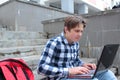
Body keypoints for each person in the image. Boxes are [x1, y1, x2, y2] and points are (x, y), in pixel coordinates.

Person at [37, 16, 117, 80]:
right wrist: (68, 71)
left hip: (75, 75)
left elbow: (75, 60)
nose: (80, 34)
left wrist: (83, 64)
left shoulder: (75, 43)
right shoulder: (54, 43)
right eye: (77, 31)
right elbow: (41, 68)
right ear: (66, 29)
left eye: (81, 31)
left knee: (107, 74)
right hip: (61, 77)